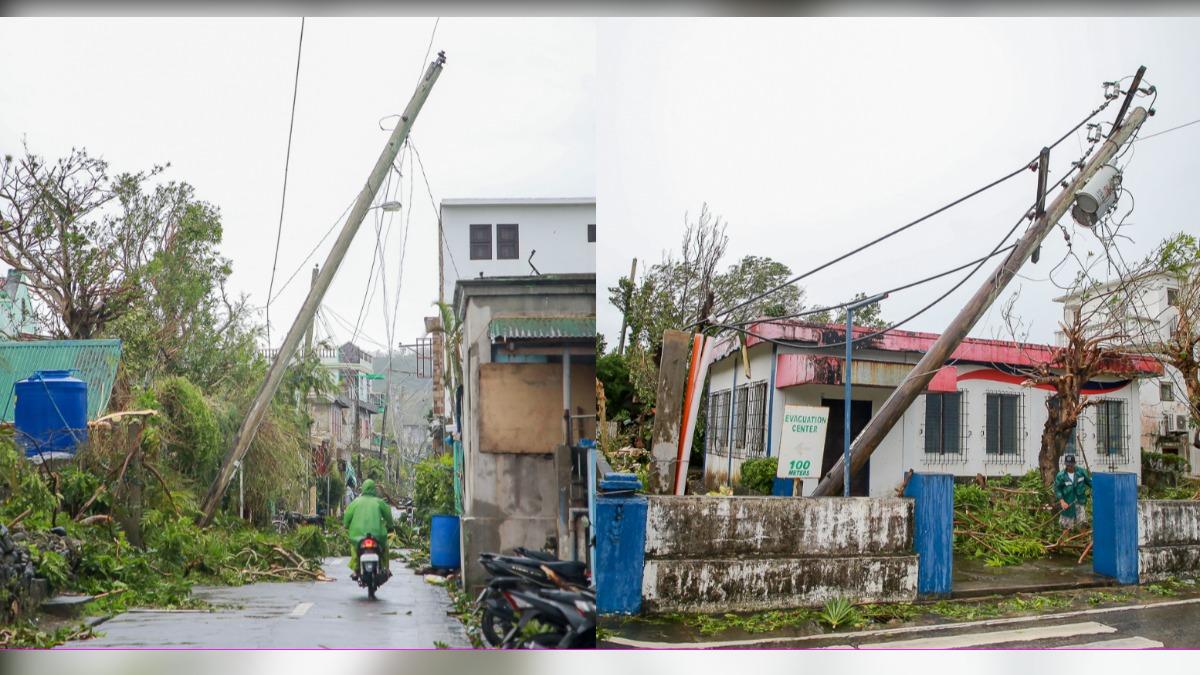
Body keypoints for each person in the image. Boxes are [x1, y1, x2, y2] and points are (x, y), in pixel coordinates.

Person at [343, 479, 394, 580]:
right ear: (374, 489)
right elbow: (388, 515)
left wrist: (346, 525)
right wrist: (390, 526)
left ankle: (356, 569)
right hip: (378, 535)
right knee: (385, 548)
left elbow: (347, 518)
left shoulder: (355, 502)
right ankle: (386, 568)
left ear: (363, 489)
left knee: (354, 548)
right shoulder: (379, 502)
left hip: (357, 535)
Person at [1054, 454, 1092, 532]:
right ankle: (1065, 542)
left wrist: (1098, 490)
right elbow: (1057, 489)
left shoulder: (1081, 472)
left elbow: (1090, 482)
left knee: (1082, 523)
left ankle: (1083, 540)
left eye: (1071, 465)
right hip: (1067, 503)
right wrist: (1062, 502)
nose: (1069, 467)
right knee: (1066, 526)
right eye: (1068, 465)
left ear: (1074, 463)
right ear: (1065, 464)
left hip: (1079, 501)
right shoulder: (1061, 476)